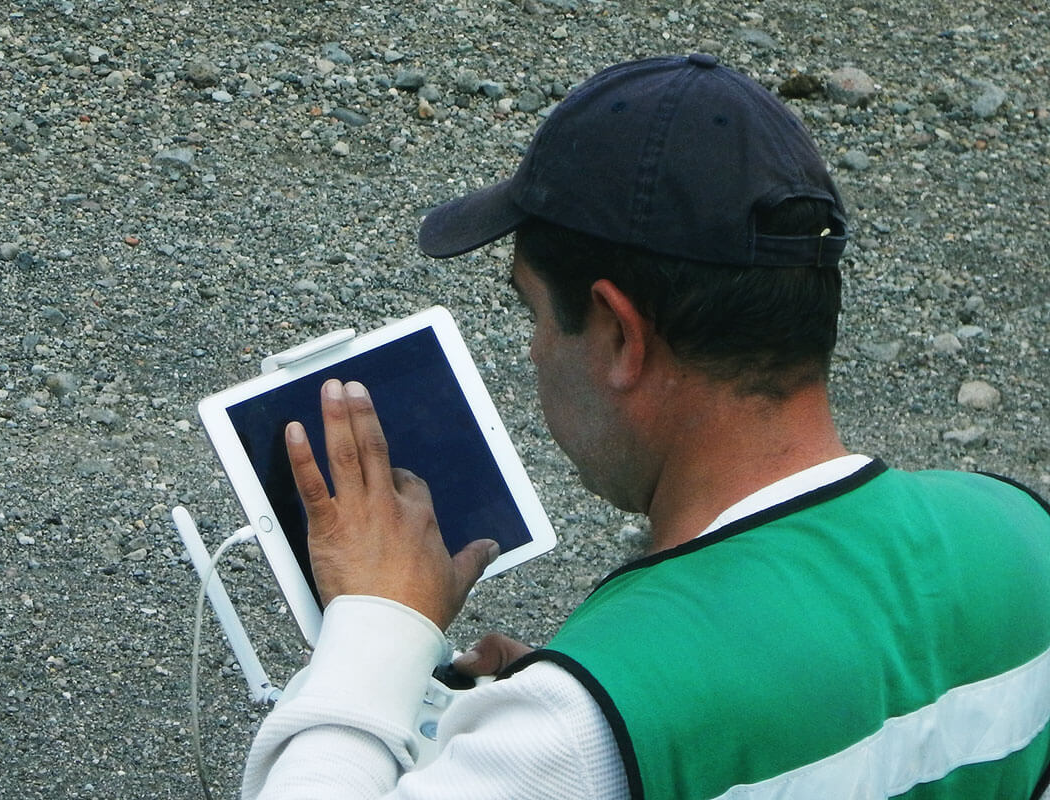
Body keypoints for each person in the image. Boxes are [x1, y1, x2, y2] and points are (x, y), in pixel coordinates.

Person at [240, 54, 1050, 799]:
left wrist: (379, 629)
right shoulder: (1021, 534)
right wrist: (555, 701)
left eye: (533, 314)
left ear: (621, 335)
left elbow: (625, 731)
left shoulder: (579, 730)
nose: (532, 353)